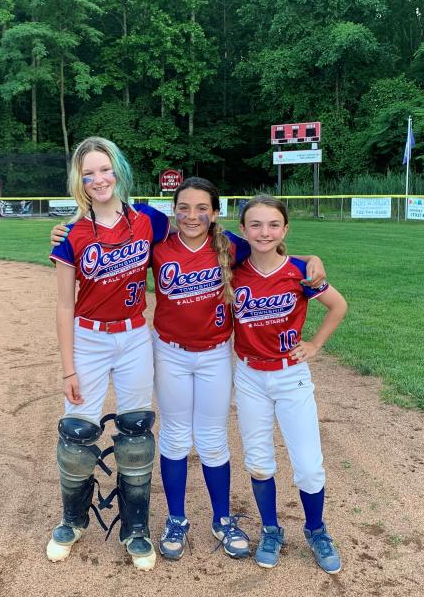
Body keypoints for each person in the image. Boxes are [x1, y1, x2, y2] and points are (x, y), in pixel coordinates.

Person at [52, 179, 327, 562]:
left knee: (213, 437)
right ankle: (177, 519)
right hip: (169, 352)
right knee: (176, 436)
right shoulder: (159, 244)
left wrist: (312, 260)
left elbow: (272, 251)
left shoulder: (232, 245)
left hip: (216, 353)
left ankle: (223, 518)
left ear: (215, 212)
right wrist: (67, 230)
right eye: (183, 207)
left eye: (202, 208)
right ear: (173, 211)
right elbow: (114, 248)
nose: (192, 215)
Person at [47, 137, 170, 571]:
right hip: (89, 339)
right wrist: (68, 369)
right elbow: (64, 304)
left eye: (105, 169)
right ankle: (73, 520)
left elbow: (208, 245)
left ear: (119, 170)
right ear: (78, 183)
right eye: (88, 174)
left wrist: (299, 258)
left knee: (136, 431)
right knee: (78, 434)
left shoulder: (151, 221)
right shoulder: (72, 234)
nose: (99, 179)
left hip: (136, 335)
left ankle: (135, 528)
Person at [230, 195, 347, 573]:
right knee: (259, 462)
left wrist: (315, 344)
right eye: (256, 224)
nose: (264, 232)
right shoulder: (232, 269)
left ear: (285, 229)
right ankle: (270, 529)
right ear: (243, 229)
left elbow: (338, 305)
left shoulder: (301, 270)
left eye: (273, 224)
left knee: (309, 466)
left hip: (290, 374)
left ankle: (316, 529)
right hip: (249, 375)